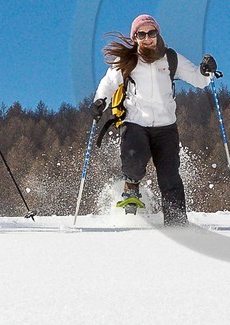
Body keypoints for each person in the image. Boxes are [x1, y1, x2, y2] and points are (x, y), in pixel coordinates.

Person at [90, 14, 215, 227]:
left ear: (158, 33)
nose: (147, 38)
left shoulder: (171, 58)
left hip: (166, 126)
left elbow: (198, 79)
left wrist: (206, 71)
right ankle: (131, 187)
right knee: (134, 157)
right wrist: (100, 101)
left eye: (151, 33)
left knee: (170, 176)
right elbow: (109, 83)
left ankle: (176, 223)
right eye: (142, 34)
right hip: (135, 122)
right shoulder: (128, 60)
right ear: (135, 37)